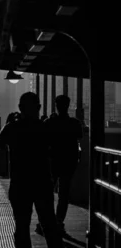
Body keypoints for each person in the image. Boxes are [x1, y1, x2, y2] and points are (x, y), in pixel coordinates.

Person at [0, 92, 66, 248]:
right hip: (42, 183)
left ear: (20, 108)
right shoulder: (44, 128)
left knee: (22, 228)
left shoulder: (13, 127)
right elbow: (58, 150)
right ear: (39, 108)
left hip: (20, 185)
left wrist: (8, 123)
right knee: (49, 225)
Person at [42, 95, 83, 236]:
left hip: (53, 161)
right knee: (64, 193)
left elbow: (44, 140)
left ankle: (47, 221)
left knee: (47, 192)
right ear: (68, 105)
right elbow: (80, 135)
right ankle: (59, 221)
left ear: (56, 105)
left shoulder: (50, 122)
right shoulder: (74, 123)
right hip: (69, 161)